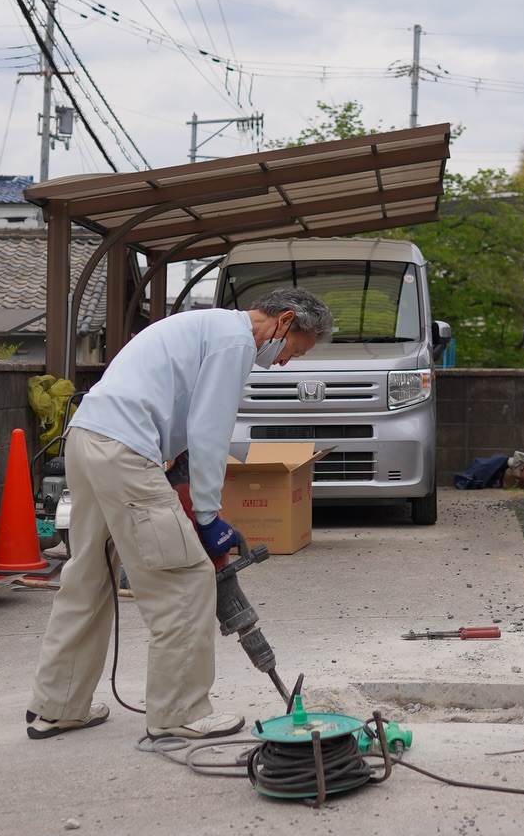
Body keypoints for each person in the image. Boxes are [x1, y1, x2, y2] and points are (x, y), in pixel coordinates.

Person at [27, 286, 334, 746]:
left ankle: (57, 706)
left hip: (88, 439)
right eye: (294, 349)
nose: (286, 361)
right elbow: (209, 432)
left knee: (89, 576)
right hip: (125, 450)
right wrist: (208, 517)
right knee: (185, 578)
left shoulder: (206, 326)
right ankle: (179, 712)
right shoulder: (235, 342)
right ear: (284, 320)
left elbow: (173, 407)